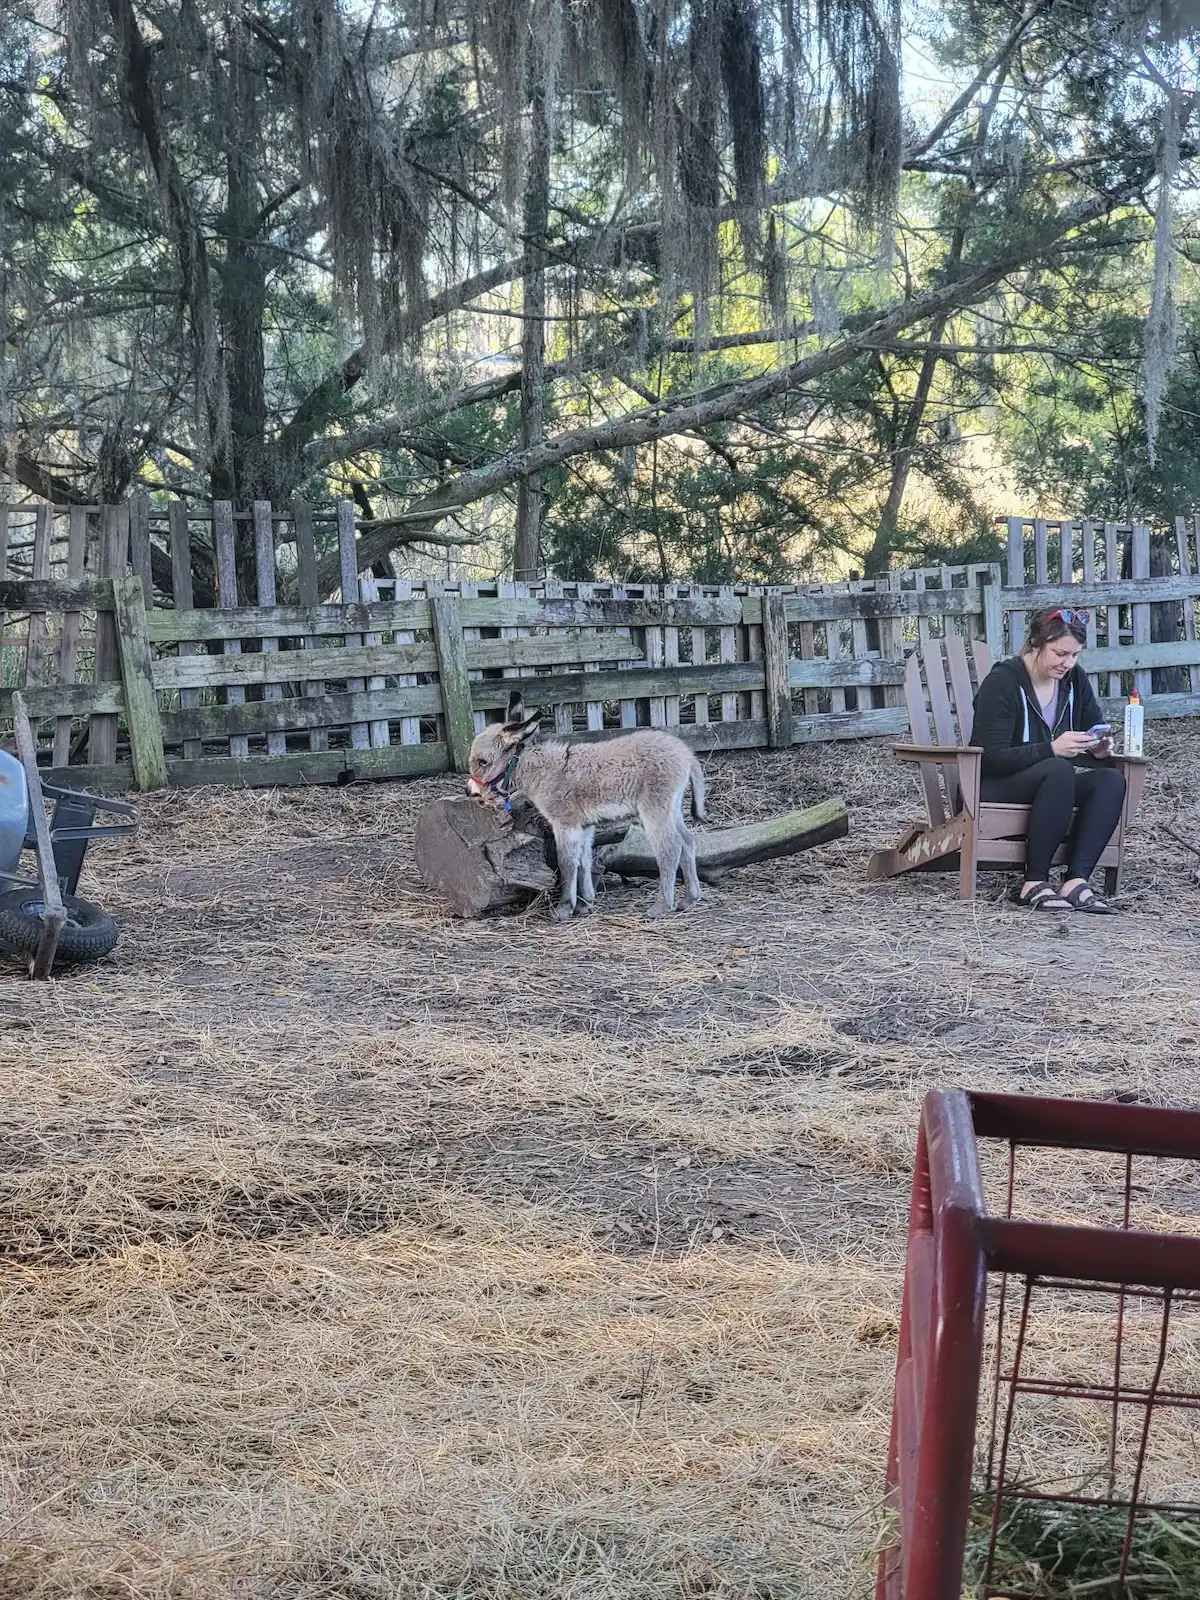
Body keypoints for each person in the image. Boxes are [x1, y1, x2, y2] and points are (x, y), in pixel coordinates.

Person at [971, 607, 1126, 913]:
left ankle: (1076, 881)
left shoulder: (1074, 680)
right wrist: (1051, 749)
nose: (1068, 663)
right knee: (1058, 768)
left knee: (1110, 781)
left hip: (1052, 786)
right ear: (1036, 644)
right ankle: (1034, 882)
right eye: (1060, 653)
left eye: (1075, 655)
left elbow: (1094, 727)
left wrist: (1099, 747)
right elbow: (990, 758)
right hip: (995, 785)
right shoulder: (1003, 682)